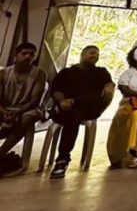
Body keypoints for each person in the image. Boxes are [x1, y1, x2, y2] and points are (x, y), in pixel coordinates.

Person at [48, 46, 115, 178]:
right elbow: (56, 90)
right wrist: (62, 101)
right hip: (66, 109)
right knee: (72, 115)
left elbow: (108, 86)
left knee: (83, 106)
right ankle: (62, 159)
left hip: (88, 109)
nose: (95, 56)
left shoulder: (101, 72)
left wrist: (110, 87)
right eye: (92, 53)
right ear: (82, 54)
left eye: (97, 54)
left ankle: (62, 159)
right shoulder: (67, 72)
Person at [0, 43, 47, 174]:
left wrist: (17, 112)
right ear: (16, 56)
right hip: (6, 108)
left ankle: (1, 153)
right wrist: (3, 111)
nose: (28, 57)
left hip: (27, 109)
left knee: (27, 118)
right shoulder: (3, 73)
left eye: (31, 54)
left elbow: (34, 101)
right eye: (24, 53)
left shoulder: (39, 74)